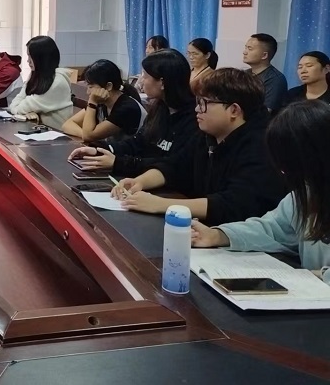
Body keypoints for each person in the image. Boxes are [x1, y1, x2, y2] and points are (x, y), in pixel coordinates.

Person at [111, 68, 285, 225]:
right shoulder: (208, 134)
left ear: (234, 110)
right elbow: (176, 165)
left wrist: (161, 204)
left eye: (204, 103)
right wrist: (140, 182)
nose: (197, 109)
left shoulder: (262, 145)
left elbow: (234, 203)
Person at [191, 101, 330, 283]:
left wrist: (318, 275)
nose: (284, 172)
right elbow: (272, 229)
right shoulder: (305, 195)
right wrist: (217, 235)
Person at [69, 49, 198, 176]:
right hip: (143, 177)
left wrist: (118, 163)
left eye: (145, 76)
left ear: (162, 82)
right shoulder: (160, 109)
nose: (141, 81)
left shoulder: (193, 119)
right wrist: (99, 150)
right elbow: (138, 143)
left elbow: (171, 165)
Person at [62, 59, 145, 141]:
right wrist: (84, 134)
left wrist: (92, 103)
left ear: (108, 86)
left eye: (91, 87)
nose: (88, 92)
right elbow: (67, 125)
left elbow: (88, 136)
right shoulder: (102, 102)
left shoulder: (126, 108)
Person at [8, 36, 73, 127]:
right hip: (38, 129)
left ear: (42, 58)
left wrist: (24, 111)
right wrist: (26, 112)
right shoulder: (36, 75)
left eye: (31, 56)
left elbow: (19, 108)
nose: (28, 61)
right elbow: (14, 104)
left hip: (57, 133)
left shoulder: (58, 82)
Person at [243, 33, 287, 112]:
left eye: (250, 49)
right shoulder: (243, 75)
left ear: (264, 55)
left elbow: (266, 112)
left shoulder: (275, 79)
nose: (244, 52)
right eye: (246, 48)